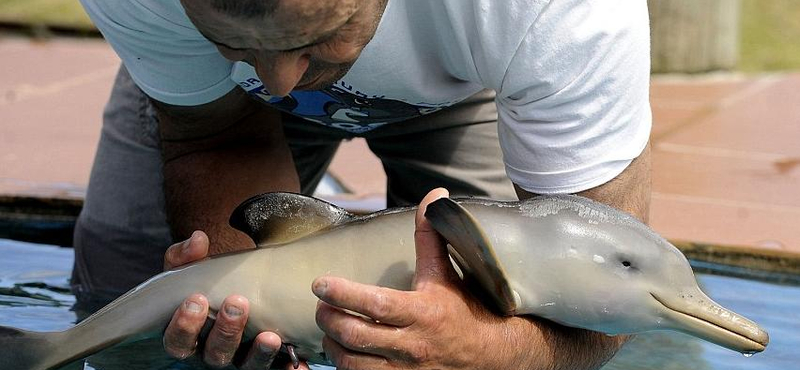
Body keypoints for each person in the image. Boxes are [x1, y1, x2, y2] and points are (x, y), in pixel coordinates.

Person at [73, 0, 653, 368]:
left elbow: (603, 298)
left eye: (322, 33)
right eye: (234, 37)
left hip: (466, 78)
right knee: (121, 302)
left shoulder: (560, 13)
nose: (281, 84)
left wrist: (482, 349)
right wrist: (252, 313)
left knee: (500, 317)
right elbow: (217, 136)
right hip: (223, 103)